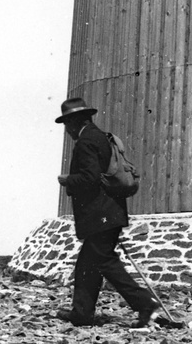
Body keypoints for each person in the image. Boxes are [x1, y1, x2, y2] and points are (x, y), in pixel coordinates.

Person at [55, 97, 168, 328]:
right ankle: (82, 313)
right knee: (88, 264)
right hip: (110, 212)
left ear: (75, 121)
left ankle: (146, 304)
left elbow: (89, 178)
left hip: (99, 214)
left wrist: (67, 180)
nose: (67, 130)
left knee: (104, 260)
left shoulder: (86, 141)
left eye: (67, 123)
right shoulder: (102, 137)